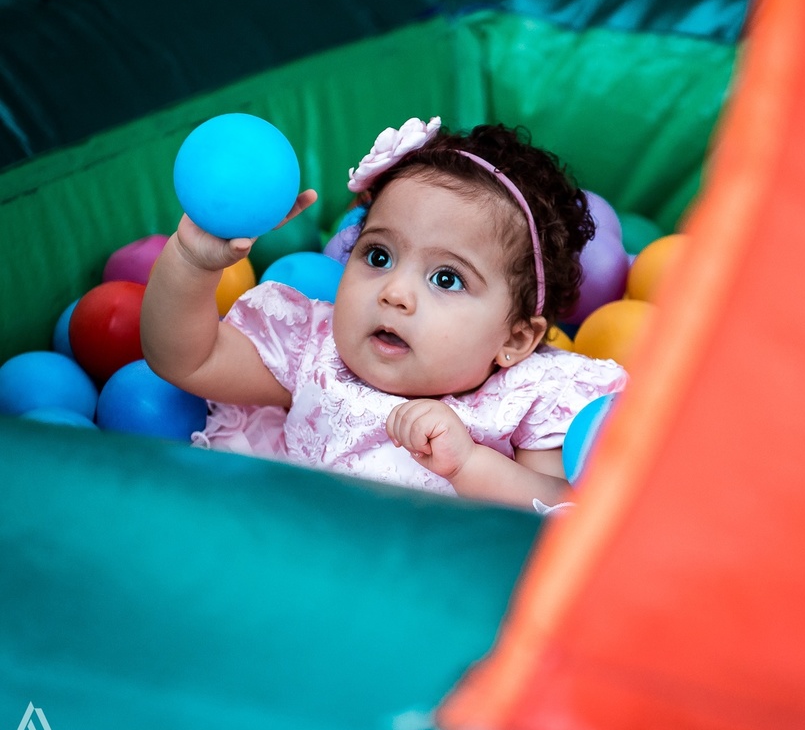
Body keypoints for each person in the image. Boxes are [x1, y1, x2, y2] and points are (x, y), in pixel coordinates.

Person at [142, 117, 627, 510]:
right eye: (378, 256)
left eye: (446, 279)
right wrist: (189, 260)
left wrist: (468, 466)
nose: (395, 292)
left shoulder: (527, 398)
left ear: (516, 340)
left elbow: (565, 515)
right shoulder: (314, 354)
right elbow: (188, 358)